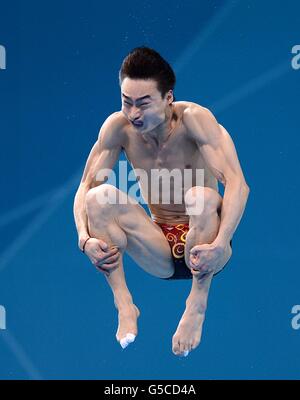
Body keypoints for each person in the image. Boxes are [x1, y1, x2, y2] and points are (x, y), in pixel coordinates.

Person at [73, 46, 250, 357]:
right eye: (126, 102)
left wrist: (221, 242)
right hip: (158, 248)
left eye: (143, 103)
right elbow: (85, 185)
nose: (133, 113)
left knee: (202, 198)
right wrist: (84, 239)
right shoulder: (118, 128)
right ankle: (124, 304)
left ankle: (196, 303)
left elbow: (238, 184)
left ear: (169, 98)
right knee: (98, 198)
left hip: (207, 243)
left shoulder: (196, 121)